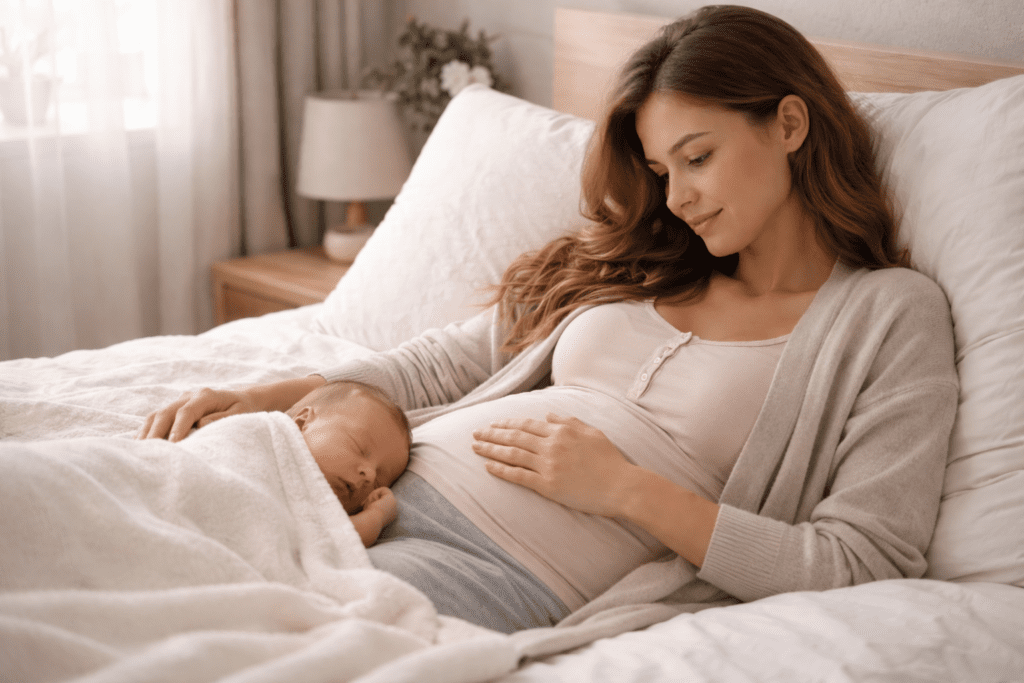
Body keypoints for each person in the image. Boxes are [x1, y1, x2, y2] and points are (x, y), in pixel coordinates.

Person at [138, 5, 958, 635]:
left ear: (788, 123)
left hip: (488, 565)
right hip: (366, 485)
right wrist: (272, 396)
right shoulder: (645, 262)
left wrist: (628, 490)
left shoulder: (888, 316)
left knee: (210, 631)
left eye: (698, 157)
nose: (677, 197)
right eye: (662, 169)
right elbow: (439, 366)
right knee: (112, 535)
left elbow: (864, 559)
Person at [282, 379, 411, 547]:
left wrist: (376, 515)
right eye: (359, 448)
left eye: (379, 480)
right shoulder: (258, 439)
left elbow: (337, 541)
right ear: (301, 423)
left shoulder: (320, 515)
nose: (370, 475)